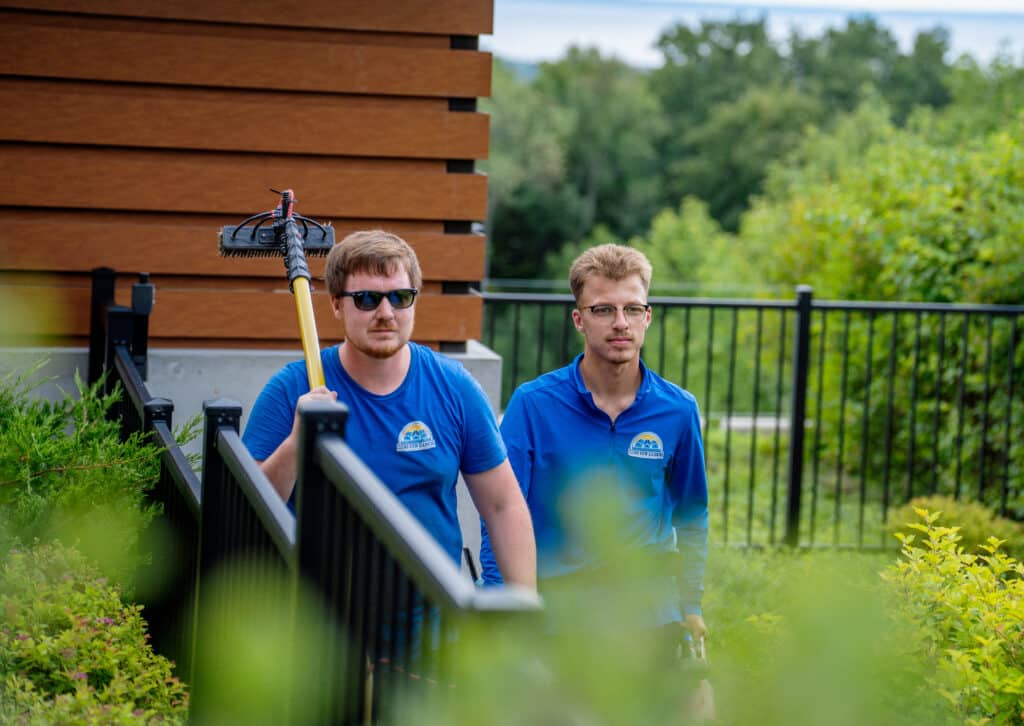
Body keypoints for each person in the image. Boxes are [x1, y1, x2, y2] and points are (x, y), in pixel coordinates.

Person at [243, 230, 536, 590]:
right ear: (336, 304)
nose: (386, 313)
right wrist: (295, 443)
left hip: (431, 626)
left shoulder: (454, 388)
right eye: (366, 299)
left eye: (400, 297)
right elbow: (246, 514)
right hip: (321, 623)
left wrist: (521, 608)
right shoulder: (292, 390)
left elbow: (503, 505)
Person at [479, 243, 708, 641]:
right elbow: (498, 513)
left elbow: (692, 515)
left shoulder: (678, 410)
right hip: (556, 616)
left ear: (647, 317)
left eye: (632, 309)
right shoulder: (532, 405)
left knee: (697, 702)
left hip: (649, 617)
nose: (620, 322)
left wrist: (689, 605)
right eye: (603, 309)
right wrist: (505, 608)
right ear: (579, 320)